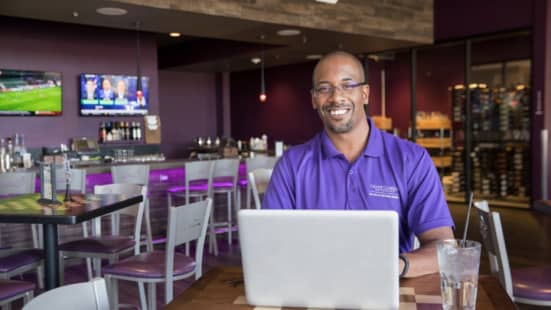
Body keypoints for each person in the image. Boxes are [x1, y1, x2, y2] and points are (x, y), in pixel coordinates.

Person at [263, 51, 455, 278]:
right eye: (325, 88)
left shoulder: (412, 160)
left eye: (347, 85)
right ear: (314, 98)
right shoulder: (291, 166)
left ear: (364, 93)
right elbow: (270, 245)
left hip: (387, 291)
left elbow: (444, 248)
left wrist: (393, 267)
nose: (336, 97)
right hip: (312, 290)